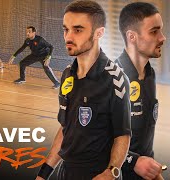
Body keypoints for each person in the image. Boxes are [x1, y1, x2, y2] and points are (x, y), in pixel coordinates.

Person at [36, 1, 131, 179]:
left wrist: (111, 173)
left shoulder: (115, 78)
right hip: (67, 172)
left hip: (98, 174)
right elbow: (66, 128)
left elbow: (123, 134)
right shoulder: (67, 76)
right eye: (66, 29)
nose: (68, 37)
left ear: (98, 33)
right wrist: (44, 174)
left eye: (78, 30)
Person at [115, 2, 166, 180]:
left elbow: (142, 145)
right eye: (154, 31)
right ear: (132, 37)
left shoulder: (149, 74)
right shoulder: (110, 79)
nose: (162, 38)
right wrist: (133, 161)